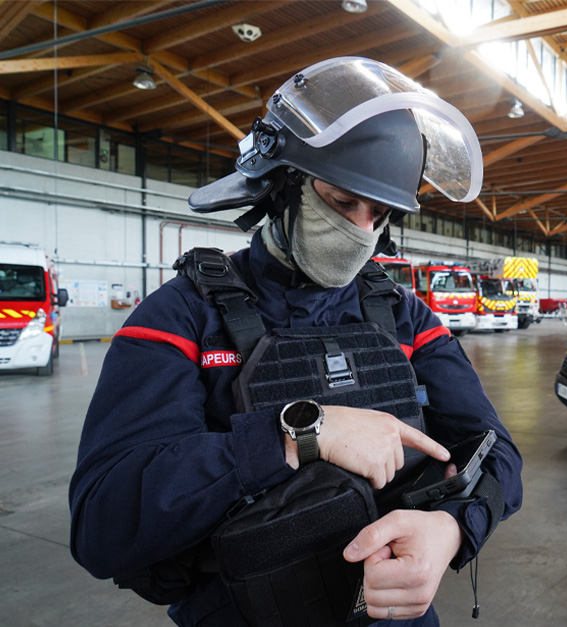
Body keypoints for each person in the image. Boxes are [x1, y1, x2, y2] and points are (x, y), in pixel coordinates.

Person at [69, 57, 524, 626]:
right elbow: (102, 521)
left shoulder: (405, 316)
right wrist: (299, 435)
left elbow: (497, 454)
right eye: (342, 202)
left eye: (379, 214)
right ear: (281, 185)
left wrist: (451, 529)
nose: (361, 230)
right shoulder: (183, 315)